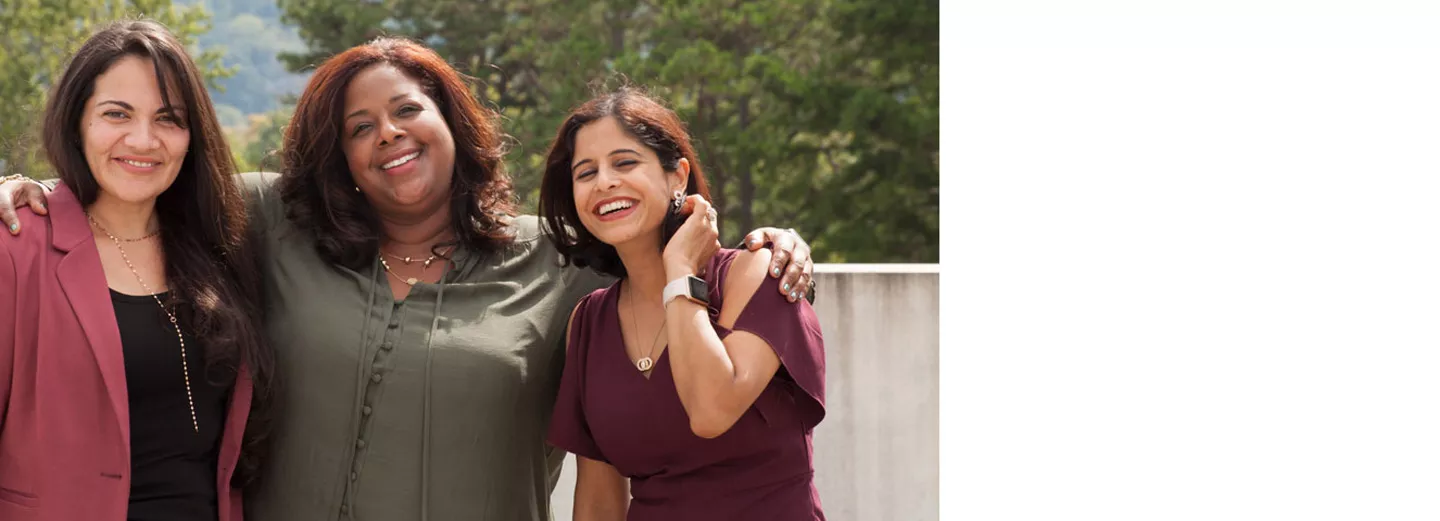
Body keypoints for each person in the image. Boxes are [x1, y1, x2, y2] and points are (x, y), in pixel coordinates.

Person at [0, 36, 815, 520]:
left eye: (407, 111)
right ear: (341, 159)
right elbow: (148, 168)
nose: (387, 134)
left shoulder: (557, 263)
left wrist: (769, 243)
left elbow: (646, 234)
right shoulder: (277, 225)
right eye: (359, 128)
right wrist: (33, 192)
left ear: (452, 123)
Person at [0, 20, 274, 521]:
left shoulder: (218, 245)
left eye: (168, 118)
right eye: (116, 114)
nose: (143, 139)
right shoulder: (16, 247)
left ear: (192, 135)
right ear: (77, 123)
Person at [539, 87, 826, 520]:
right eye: (585, 172)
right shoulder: (590, 322)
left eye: (625, 162)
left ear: (678, 176)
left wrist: (679, 271)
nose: (604, 182)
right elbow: (599, 502)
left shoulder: (754, 274)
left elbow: (711, 410)